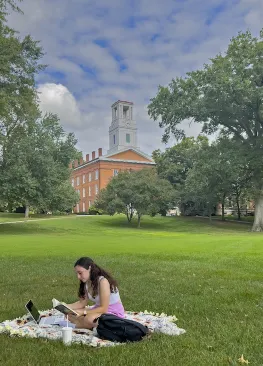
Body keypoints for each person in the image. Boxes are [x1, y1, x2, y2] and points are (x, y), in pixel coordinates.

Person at [66, 257, 125, 329]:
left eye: (80, 273)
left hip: (112, 312)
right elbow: (82, 303)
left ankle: (80, 324)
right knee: (69, 314)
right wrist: (65, 306)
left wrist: (83, 312)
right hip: (98, 309)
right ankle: (83, 324)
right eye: (77, 273)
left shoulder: (102, 281)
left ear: (90, 268)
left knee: (89, 319)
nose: (78, 277)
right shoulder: (86, 282)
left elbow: (104, 308)